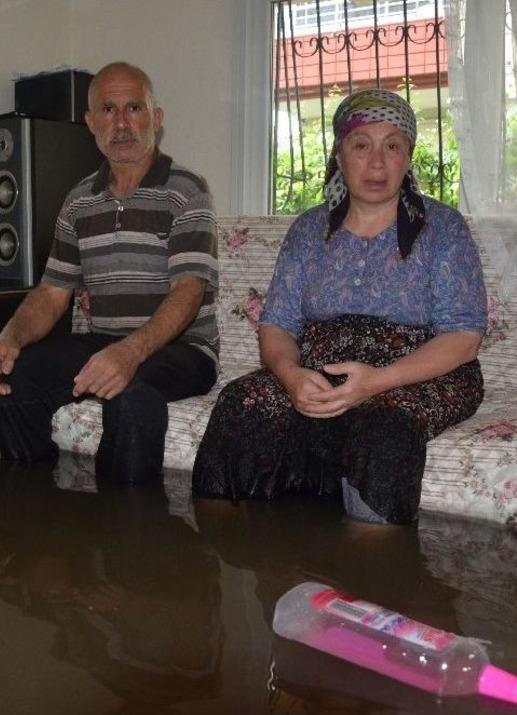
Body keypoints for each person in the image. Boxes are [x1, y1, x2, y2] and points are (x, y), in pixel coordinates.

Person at [192, 89, 486, 524]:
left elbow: (463, 336)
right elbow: (277, 325)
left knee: (385, 428)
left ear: (408, 156)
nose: (377, 162)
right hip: (319, 367)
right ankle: (230, 555)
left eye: (393, 146)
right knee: (244, 402)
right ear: (339, 154)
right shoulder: (309, 230)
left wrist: (377, 382)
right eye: (361, 145)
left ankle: (372, 574)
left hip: (419, 372)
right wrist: (291, 376)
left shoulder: (442, 228)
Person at [0, 62, 219, 483]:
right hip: (105, 339)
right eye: (108, 110)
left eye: (134, 108)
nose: (122, 122)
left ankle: (123, 534)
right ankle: (34, 518)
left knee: (129, 395)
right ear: (90, 123)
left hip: (183, 350)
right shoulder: (78, 201)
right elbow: (53, 292)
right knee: (15, 376)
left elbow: (189, 291)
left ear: (156, 118)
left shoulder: (186, 190)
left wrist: (129, 353)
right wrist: (9, 337)